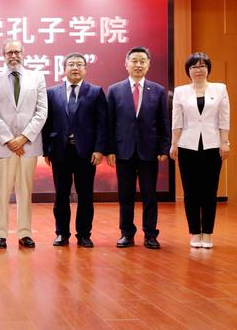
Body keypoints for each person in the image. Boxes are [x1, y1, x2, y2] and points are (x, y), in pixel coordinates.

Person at [0, 39, 48, 249]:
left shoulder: (37, 78)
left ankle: (24, 233)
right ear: (3, 55)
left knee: (25, 191)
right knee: (1, 192)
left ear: (23, 53)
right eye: (9, 52)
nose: (13, 56)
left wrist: (24, 137)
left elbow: (42, 111)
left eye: (17, 52)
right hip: (2, 145)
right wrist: (9, 139)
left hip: (28, 146)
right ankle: (0, 234)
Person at [107, 46, 170, 249]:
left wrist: (163, 148)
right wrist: (110, 150)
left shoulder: (158, 90)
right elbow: (110, 123)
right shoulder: (114, 90)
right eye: (134, 61)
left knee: (150, 195)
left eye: (142, 61)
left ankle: (150, 234)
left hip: (149, 151)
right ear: (126, 64)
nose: (138, 64)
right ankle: (126, 233)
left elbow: (163, 121)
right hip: (123, 150)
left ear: (148, 65)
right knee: (125, 195)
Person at [42, 53, 107, 248]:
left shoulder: (95, 92)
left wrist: (99, 149)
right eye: (71, 64)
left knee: (85, 195)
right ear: (64, 69)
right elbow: (47, 123)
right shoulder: (52, 92)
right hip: (60, 151)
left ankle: (84, 234)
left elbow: (102, 123)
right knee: (61, 195)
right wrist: (46, 150)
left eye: (79, 64)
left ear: (85, 69)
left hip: (86, 153)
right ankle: (62, 233)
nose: (75, 68)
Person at [169, 52, 230, 249]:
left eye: (202, 66)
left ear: (208, 69)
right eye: (194, 66)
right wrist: (174, 144)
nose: (198, 70)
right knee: (191, 192)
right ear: (188, 70)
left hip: (212, 146)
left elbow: (224, 118)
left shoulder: (220, 88)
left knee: (209, 192)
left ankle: (208, 233)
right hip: (187, 146)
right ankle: (195, 232)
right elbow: (177, 120)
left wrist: (225, 142)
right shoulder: (180, 91)